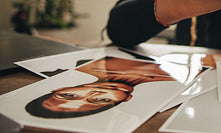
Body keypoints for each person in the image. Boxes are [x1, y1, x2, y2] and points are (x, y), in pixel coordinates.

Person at [25, 56, 196, 118]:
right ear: (126, 99)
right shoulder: (181, 83)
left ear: (59, 89)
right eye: (100, 100)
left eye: (70, 96)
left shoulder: (87, 63)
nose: (94, 92)